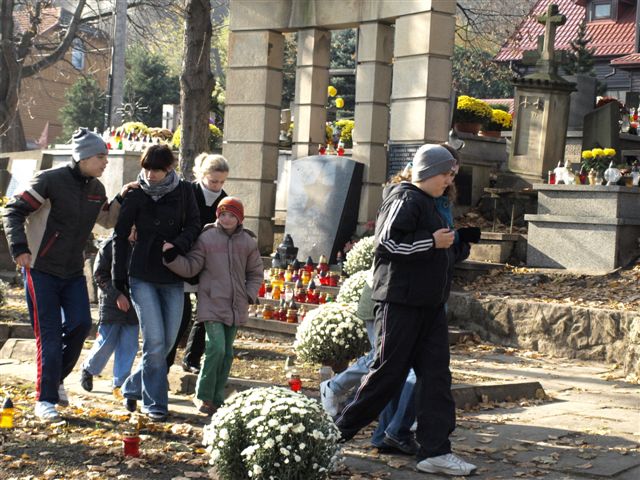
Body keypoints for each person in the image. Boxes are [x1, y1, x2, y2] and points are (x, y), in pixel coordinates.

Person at [334, 143, 478, 476]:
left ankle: (436, 451)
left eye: (451, 174)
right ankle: (331, 437)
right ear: (428, 172)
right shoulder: (404, 198)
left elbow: (434, 251)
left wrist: (455, 246)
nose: (449, 180)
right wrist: (433, 242)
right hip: (400, 304)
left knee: (436, 378)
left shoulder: (430, 202)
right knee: (386, 375)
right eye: (446, 174)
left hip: (430, 306)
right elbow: (386, 244)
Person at [2, 127, 134, 422]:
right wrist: (20, 248)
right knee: (49, 335)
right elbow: (13, 211)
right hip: (40, 269)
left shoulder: (96, 188)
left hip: (73, 270)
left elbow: (107, 220)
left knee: (80, 324)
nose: (105, 162)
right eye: (101, 157)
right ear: (83, 157)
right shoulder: (49, 180)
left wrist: (122, 197)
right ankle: (45, 400)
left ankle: (54, 379)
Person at [112, 144, 201, 422]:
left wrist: (177, 245)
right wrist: (117, 280)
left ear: (169, 168)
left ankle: (132, 386)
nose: (150, 174)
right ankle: (155, 403)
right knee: (154, 341)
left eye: (157, 170)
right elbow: (119, 235)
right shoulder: (135, 193)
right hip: (141, 275)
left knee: (167, 343)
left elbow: (194, 225)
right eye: (147, 168)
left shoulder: (184, 191)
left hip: (172, 274)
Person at [162, 197, 263, 415]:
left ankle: (217, 398)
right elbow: (192, 266)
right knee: (216, 348)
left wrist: (249, 294)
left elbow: (255, 272)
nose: (226, 219)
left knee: (226, 354)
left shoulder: (248, 242)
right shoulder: (206, 238)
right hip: (211, 302)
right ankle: (203, 395)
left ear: (240, 218)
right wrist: (171, 258)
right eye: (222, 214)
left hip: (236, 304)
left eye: (231, 215)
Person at [166, 153, 229, 373]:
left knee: (206, 313)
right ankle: (166, 360)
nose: (217, 186)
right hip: (182, 259)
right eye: (213, 181)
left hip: (208, 263)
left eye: (221, 182)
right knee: (180, 316)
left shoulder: (225, 200)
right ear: (202, 175)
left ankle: (192, 359)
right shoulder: (187, 192)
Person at [79, 228, 139, 400]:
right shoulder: (110, 246)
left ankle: (120, 383)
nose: (135, 233)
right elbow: (100, 275)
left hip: (134, 303)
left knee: (129, 345)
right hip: (111, 302)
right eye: (133, 229)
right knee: (107, 341)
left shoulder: (141, 245)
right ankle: (89, 368)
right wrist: (117, 295)